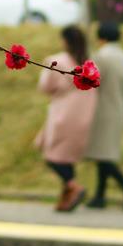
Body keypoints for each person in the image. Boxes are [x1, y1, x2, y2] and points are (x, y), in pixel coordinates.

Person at [35, 26, 98, 212]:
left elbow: (45, 87)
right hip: (84, 115)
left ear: (65, 41)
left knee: (52, 156)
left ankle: (73, 186)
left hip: (62, 114)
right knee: (67, 158)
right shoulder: (91, 64)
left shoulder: (57, 61)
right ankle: (67, 198)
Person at [84, 21, 123, 210]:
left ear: (102, 37)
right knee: (104, 153)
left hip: (102, 108)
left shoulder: (101, 56)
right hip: (118, 106)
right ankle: (100, 196)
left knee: (102, 154)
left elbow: (91, 80)